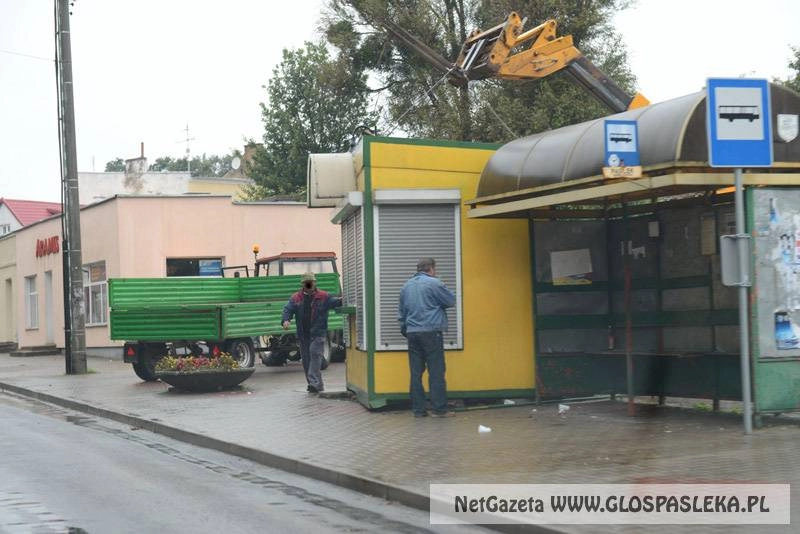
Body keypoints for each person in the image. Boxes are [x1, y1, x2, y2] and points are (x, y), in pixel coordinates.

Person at [398, 258, 456, 417]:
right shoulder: (435, 283)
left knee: (416, 373)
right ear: (431, 269)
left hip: (412, 333)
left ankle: (418, 410)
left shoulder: (406, 287)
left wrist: (406, 329)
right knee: (436, 371)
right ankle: (440, 409)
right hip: (431, 332)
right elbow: (451, 301)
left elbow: (402, 313)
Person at [282, 272, 342, 393]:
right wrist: (286, 320)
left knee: (315, 354)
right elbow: (288, 309)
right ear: (303, 284)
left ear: (315, 283)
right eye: (307, 282)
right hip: (303, 335)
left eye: (311, 282)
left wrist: (344, 298)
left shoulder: (324, 296)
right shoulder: (296, 298)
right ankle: (316, 385)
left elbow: (336, 302)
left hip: (318, 333)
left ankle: (314, 382)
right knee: (306, 360)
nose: (309, 284)